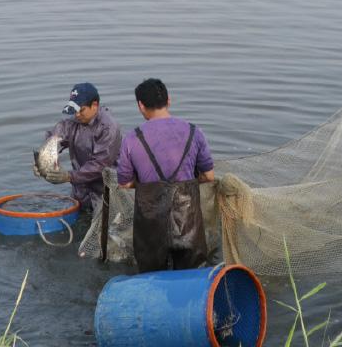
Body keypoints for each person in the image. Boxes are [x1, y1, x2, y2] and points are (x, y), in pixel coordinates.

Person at [116, 78, 214, 272]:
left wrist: (146, 183)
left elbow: (124, 184)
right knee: (190, 274)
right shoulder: (194, 132)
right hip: (187, 221)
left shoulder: (131, 138)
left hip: (150, 223)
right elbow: (209, 176)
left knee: (151, 275)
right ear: (169, 100)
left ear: (140, 105)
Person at [33, 82, 122, 212]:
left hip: (106, 191)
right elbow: (54, 137)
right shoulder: (72, 122)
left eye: (81, 110)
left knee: (102, 221)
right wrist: (42, 160)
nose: (77, 115)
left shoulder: (108, 128)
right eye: (75, 110)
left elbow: (100, 165)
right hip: (81, 190)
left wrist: (68, 176)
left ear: (95, 105)